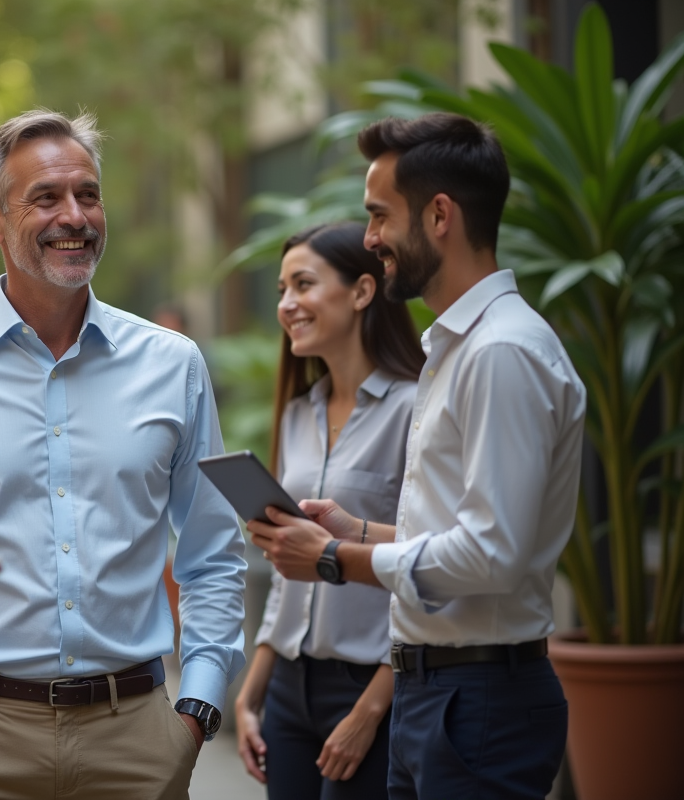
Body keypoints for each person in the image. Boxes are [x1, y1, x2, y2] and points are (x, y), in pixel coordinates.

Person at [0, 109, 247, 799]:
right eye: (46, 198)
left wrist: (197, 709)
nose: (75, 216)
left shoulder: (173, 365)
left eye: (87, 194)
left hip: (139, 741)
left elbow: (213, 553)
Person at [250, 113, 585, 800]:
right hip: (438, 690)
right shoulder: (456, 349)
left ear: (439, 216)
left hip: (477, 696)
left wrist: (332, 559)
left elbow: (492, 556)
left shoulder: (499, 353)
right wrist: (357, 532)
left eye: (379, 216)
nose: (370, 241)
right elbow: (462, 538)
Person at [234, 222, 424, 800]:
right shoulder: (297, 413)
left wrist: (370, 710)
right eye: (281, 291)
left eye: (304, 284)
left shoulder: (414, 409)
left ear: (363, 291)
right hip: (289, 689)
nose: (287, 305)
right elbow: (292, 575)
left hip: (373, 686)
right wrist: (250, 693)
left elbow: (427, 564)